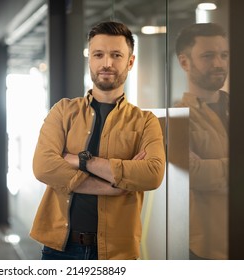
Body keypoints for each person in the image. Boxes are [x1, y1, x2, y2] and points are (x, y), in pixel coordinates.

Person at [30, 21, 166, 260]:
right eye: (98, 55)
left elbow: (152, 174)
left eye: (116, 55)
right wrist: (110, 187)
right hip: (59, 249)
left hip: (116, 253)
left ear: (130, 61)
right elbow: (43, 166)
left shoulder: (145, 121)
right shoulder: (63, 111)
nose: (107, 63)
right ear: (90, 60)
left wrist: (81, 161)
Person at [174, 23, 229, 260]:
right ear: (185, 62)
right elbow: (192, 174)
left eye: (224, 55)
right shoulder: (175, 118)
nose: (219, 63)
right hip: (206, 250)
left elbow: (204, 172)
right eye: (208, 56)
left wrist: (215, 168)